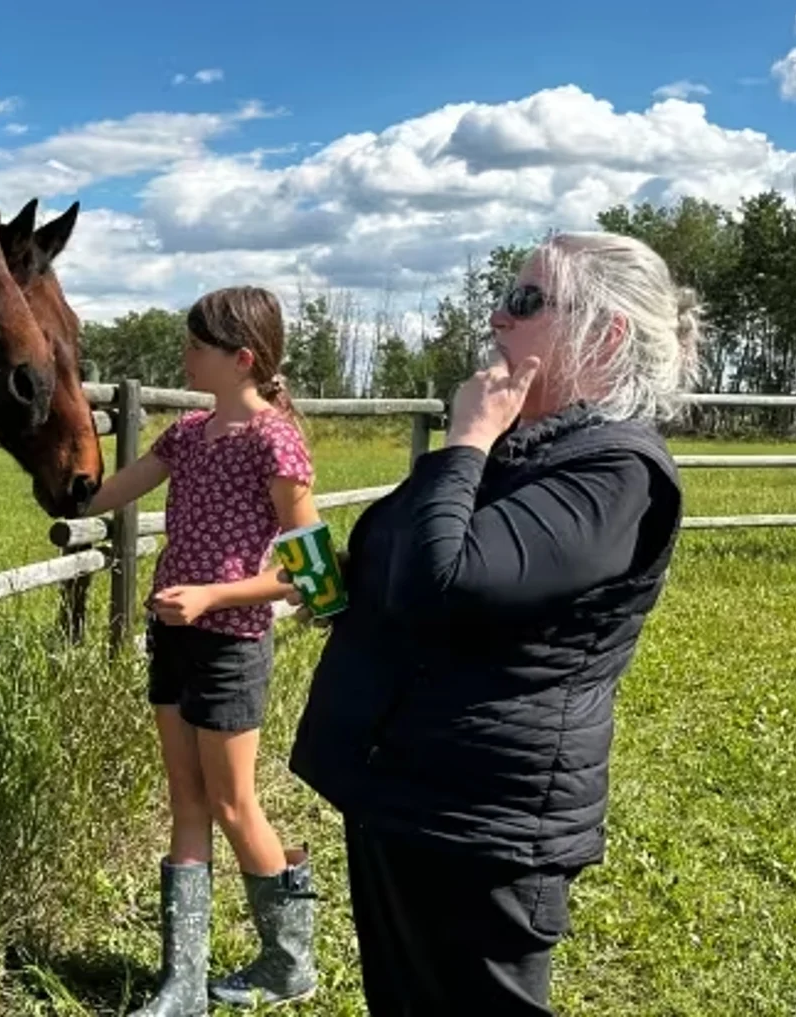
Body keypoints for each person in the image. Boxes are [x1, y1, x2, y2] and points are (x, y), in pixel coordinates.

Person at [286, 232, 700, 1015]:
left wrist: (467, 438)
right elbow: (409, 561)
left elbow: (452, 579)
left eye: (526, 300)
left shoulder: (615, 473)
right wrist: (349, 586)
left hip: (483, 824)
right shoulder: (522, 450)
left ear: (605, 333)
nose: (496, 316)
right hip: (404, 792)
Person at [86, 285, 323, 1014]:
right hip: (173, 639)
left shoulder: (274, 440)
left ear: (241, 358)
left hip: (231, 644)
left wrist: (211, 597)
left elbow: (314, 572)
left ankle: (290, 962)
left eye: (196, 343)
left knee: (231, 801)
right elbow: (103, 492)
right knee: (186, 801)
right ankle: (182, 982)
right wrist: (53, 471)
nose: (183, 352)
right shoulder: (188, 433)